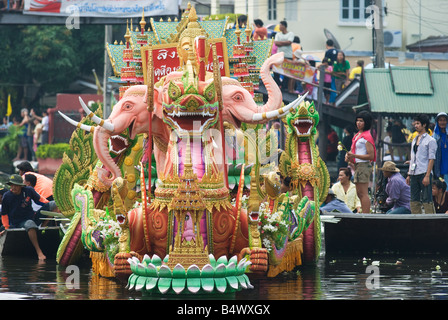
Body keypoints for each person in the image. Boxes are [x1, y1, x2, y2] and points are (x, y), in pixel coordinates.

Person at [0, 174, 47, 260]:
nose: (13, 188)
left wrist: (48, 204)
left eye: (16, 185)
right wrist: (6, 227)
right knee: (29, 223)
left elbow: (40, 200)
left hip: (32, 217)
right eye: (12, 185)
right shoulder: (7, 196)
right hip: (17, 222)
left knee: (53, 205)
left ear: (21, 186)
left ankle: (43, 228)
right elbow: (4, 214)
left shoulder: (28, 190)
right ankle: (39, 252)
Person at [345, 111, 376, 214]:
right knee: (359, 193)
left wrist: (354, 156)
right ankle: (364, 213)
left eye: (361, 121)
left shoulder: (367, 136)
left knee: (363, 193)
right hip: (358, 165)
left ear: (366, 122)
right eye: (357, 120)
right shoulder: (358, 135)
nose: (358, 123)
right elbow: (354, 150)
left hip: (364, 165)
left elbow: (371, 156)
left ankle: (366, 215)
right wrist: (349, 156)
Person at [406, 114, 437, 214]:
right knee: (414, 199)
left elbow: (431, 159)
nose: (415, 125)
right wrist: (409, 174)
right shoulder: (414, 139)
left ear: (424, 125)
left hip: (424, 172)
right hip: (414, 173)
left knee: (427, 199)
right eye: (415, 123)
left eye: (418, 123)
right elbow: (413, 158)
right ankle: (416, 221)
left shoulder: (431, 140)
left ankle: (431, 222)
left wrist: (427, 175)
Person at [273, 21, 295, 92]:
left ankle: (284, 86)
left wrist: (280, 43)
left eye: (281, 25)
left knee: (287, 73)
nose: (279, 27)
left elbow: (289, 42)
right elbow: (276, 43)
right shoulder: (278, 34)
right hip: (279, 56)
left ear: (284, 26)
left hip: (288, 55)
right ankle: (278, 84)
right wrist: (285, 43)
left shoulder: (290, 33)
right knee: (276, 71)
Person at [433, 112, 448, 182]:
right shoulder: (434, 137)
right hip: (439, 167)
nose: (442, 122)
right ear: (437, 122)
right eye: (440, 120)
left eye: (444, 120)